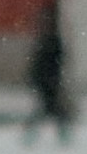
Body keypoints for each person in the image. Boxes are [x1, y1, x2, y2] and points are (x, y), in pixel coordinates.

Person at [22, 13, 75, 147]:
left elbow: (46, 63)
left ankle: (34, 134)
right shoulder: (50, 42)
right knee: (51, 109)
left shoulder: (48, 42)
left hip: (48, 82)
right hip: (48, 82)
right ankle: (63, 135)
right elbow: (50, 63)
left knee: (49, 109)